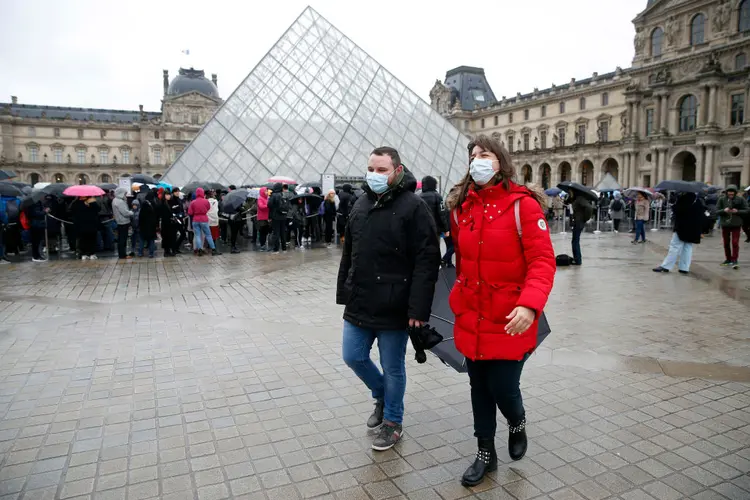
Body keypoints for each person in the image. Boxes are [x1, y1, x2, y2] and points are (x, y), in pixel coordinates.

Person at [445, 134, 555, 487]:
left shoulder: (524, 206)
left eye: (485, 154)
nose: (477, 159)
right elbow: (463, 262)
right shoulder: (463, 207)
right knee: (479, 385)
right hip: (473, 312)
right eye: (473, 155)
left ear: (500, 161)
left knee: (504, 386)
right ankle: (484, 453)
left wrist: (529, 303)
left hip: (510, 316)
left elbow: (542, 261)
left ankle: (517, 420)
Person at [337, 146, 440, 452]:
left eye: (381, 170)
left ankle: (393, 422)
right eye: (371, 169)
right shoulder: (361, 203)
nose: (374, 175)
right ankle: (383, 395)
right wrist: (345, 289)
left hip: (396, 302)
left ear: (397, 170)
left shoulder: (414, 206)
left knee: (393, 366)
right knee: (352, 355)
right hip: (360, 298)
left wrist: (418, 309)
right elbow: (349, 253)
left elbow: (427, 260)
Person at [653, 193, 705, 275]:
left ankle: (666, 266)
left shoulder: (684, 199)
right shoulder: (698, 201)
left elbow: (678, 211)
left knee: (674, 246)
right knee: (687, 247)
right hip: (693, 228)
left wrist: (674, 205)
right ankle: (684, 268)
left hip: (682, 228)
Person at [717, 185, 749, 269]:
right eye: (729, 191)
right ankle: (728, 259)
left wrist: (737, 211)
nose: (731, 193)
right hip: (725, 224)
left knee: (735, 243)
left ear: (735, 192)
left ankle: (735, 260)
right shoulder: (722, 199)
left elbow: (747, 210)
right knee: (726, 243)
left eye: (732, 192)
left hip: (736, 224)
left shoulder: (741, 199)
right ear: (727, 192)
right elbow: (717, 210)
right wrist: (724, 210)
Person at [188, 187, 221, 256]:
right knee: (208, 235)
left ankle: (199, 249)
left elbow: (190, 212)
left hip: (195, 220)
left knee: (197, 235)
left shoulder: (193, 202)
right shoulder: (206, 201)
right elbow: (208, 208)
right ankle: (213, 249)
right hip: (204, 219)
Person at [566, 192, 592, 265]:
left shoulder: (580, 199)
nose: (570, 193)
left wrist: (585, 218)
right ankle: (576, 259)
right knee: (574, 240)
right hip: (576, 222)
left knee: (575, 241)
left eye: (571, 192)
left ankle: (578, 260)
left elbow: (589, 207)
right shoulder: (576, 199)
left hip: (579, 222)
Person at [112, 187, 133, 260]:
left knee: (121, 238)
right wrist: (131, 212)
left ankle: (122, 254)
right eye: (125, 194)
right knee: (123, 239)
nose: (125, 195)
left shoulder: (115, 200)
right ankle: (122, 255)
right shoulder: (120, 202)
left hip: (119, 221)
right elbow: (125, 213)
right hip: (123, 222)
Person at [267, 183, 288, 253]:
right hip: (283, 216)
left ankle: (276, 249)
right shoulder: (283, 194)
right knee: (283, 233)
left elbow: (269, 205)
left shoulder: (274, 195)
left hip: (276, 216)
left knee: (276, 233)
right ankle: (284, 248)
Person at [139, 191, 158, 258]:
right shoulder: (154, 204)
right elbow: (156, 215)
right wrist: (156, 224)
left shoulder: (144, 204)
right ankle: (151, 253)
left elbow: (140, 216)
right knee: (151, 239)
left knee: (142, 239)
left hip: (143, 225)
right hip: (151, 225)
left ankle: (140, 253)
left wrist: (139, 224)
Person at [158, 191, 177, 257]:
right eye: (167, 195)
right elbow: (160, 213)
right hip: (165, 223)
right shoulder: (162, 203)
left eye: (169, 195)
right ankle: (167, 251)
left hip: (172, 223)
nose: (168, 196)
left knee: (172, 237)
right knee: (165, 237)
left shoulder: (172, 202)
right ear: (164, 195)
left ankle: (173, 250)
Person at [256, 187, 270, 251]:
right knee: (262, 232)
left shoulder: (267, 198)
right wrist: (268, 205)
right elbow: (261, 206)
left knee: (266, 232)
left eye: (267, 191)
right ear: (262, 192)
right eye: (266, 191)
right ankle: (262, 245)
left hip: (267, 218)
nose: (267, 192)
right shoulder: (260, 199)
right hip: (262, 218)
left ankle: (264, 245)